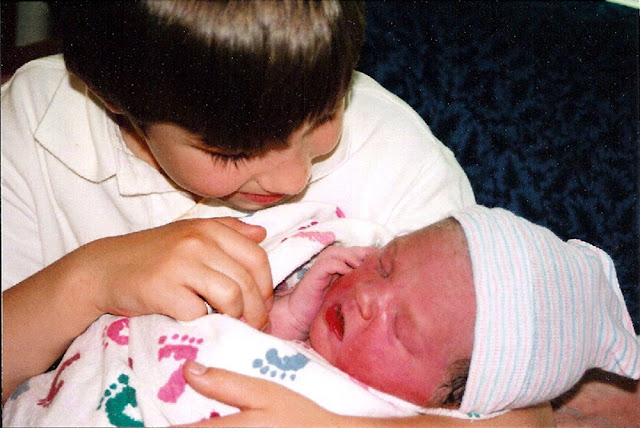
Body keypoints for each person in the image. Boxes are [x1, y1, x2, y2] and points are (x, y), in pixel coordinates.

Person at [1, 0, 555, 425]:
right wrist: (89, 280)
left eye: (324, 115)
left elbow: (524, 414)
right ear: (112, 96)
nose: (294, 179)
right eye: (232, 151)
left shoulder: (394, 156)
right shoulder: (33, 126)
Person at [4, 205, 638, 427]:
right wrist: (283, 317)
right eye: (384, 264)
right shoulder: (306, 277)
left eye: (402, 330)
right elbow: (243, 346)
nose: (368, 298)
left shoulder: (382, 413)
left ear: (449, 405)